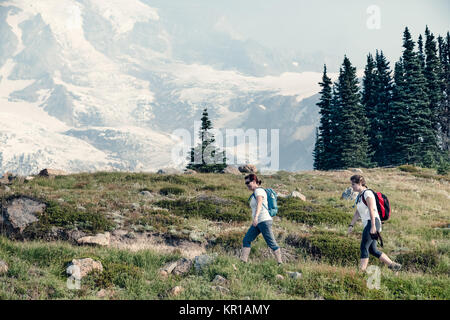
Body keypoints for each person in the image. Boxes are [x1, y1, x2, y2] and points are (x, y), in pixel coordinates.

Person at [348, 175, 401, 272]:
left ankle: (361, 271)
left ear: (360, 183)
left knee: (364, 246)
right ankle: (394, 266)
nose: (352, 186)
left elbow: (372, 209)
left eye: (353, 184)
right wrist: (351, 225)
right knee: (372, 250)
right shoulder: (360, 196)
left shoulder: (367, 194)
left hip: (373, 222)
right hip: (370, 223)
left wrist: (373, 226)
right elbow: (358, 212)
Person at [240, 173, 283, 264]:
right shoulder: (256, 192)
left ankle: (280, 263)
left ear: (254, 181)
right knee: (246, 240)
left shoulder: (258, 191)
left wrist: (255, 217)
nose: (247, 185)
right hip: (258, 222)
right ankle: (243, 262)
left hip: (263, 220)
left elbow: (260, 203)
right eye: (246, 183)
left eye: (248, 182)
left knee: (271, 242)